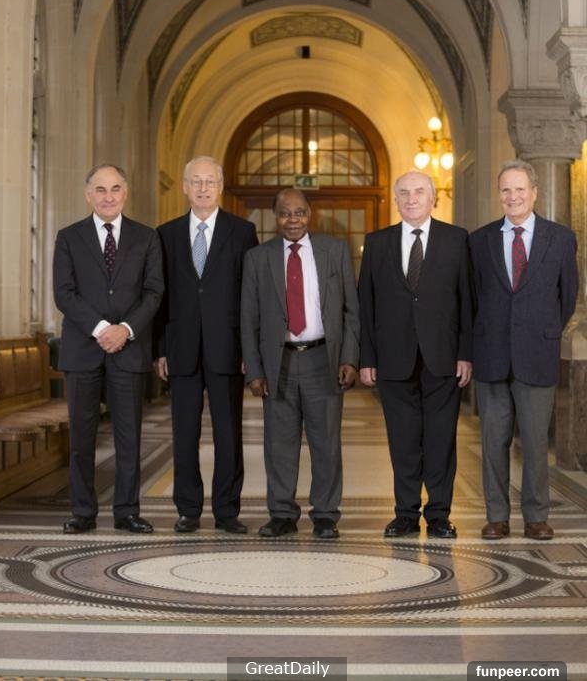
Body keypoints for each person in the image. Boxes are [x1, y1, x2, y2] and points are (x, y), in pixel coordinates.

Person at [358, 171, 473, 539]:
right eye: (404, 193)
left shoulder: (457, 239)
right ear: (396, 200)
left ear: (432, 197)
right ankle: (405, 514)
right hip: (393, 359)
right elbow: (366, 305)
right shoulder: (377, 243)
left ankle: (439, 515)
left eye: (419, 192)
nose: (411, 199)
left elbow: (467, 301)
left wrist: (465, 353)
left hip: (443, 357)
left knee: (441, 440)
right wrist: (367, 358)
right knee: (403, 442)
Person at [241, 188, 359, 540]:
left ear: (310, 214)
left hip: (324, 359)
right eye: (285, 213)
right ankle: (281, 514)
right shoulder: (257, 258)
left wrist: (350, 357)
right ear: (275, 217)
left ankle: (325, 515)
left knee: (326, 443)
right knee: (279, 444)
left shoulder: (335, 251)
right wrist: (254, 370)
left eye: (300, 212)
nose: (293, 220)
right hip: (279, 362)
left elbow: (351, 310)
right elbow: (248, 318)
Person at [469, 159, 578, 541]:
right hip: (492, 355)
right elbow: (473, 298)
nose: (512, 196)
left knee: (534, 443)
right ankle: (497, 517)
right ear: (499, 194)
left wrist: (545, 331)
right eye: (506, 190)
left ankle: (536, 517)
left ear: (534, 193)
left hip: (537, 354)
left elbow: (568, 295)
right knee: (493, 442)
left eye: (519, 189)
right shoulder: (479, 241)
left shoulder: (560, 238)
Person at [53, 164, 164, 534]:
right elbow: (64, 293)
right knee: (81, 437)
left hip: (129, 349)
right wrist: (102, 329)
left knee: (128, 436)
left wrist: (125, 330)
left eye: (115, 188)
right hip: (83, 349)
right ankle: (83, 511)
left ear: (125, 193)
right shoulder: (69, 237)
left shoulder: (146, 237)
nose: (108, 196)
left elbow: (154, 292)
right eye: (100, 190)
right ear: (88, 195)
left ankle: (127, 511)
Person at [154, 156, 258, 534]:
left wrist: (249, 349)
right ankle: (188, 509)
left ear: (220, 186)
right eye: (195, 181)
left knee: (228, 433)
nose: (202, 188)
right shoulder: (165, 234)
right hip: (181, 348)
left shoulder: (242, 231)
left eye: (209, 181)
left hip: (228, 348)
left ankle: (227, 511)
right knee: (184, 433)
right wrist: (161, 348)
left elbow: (251, 295)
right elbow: (159, 297)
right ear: (184, 187)